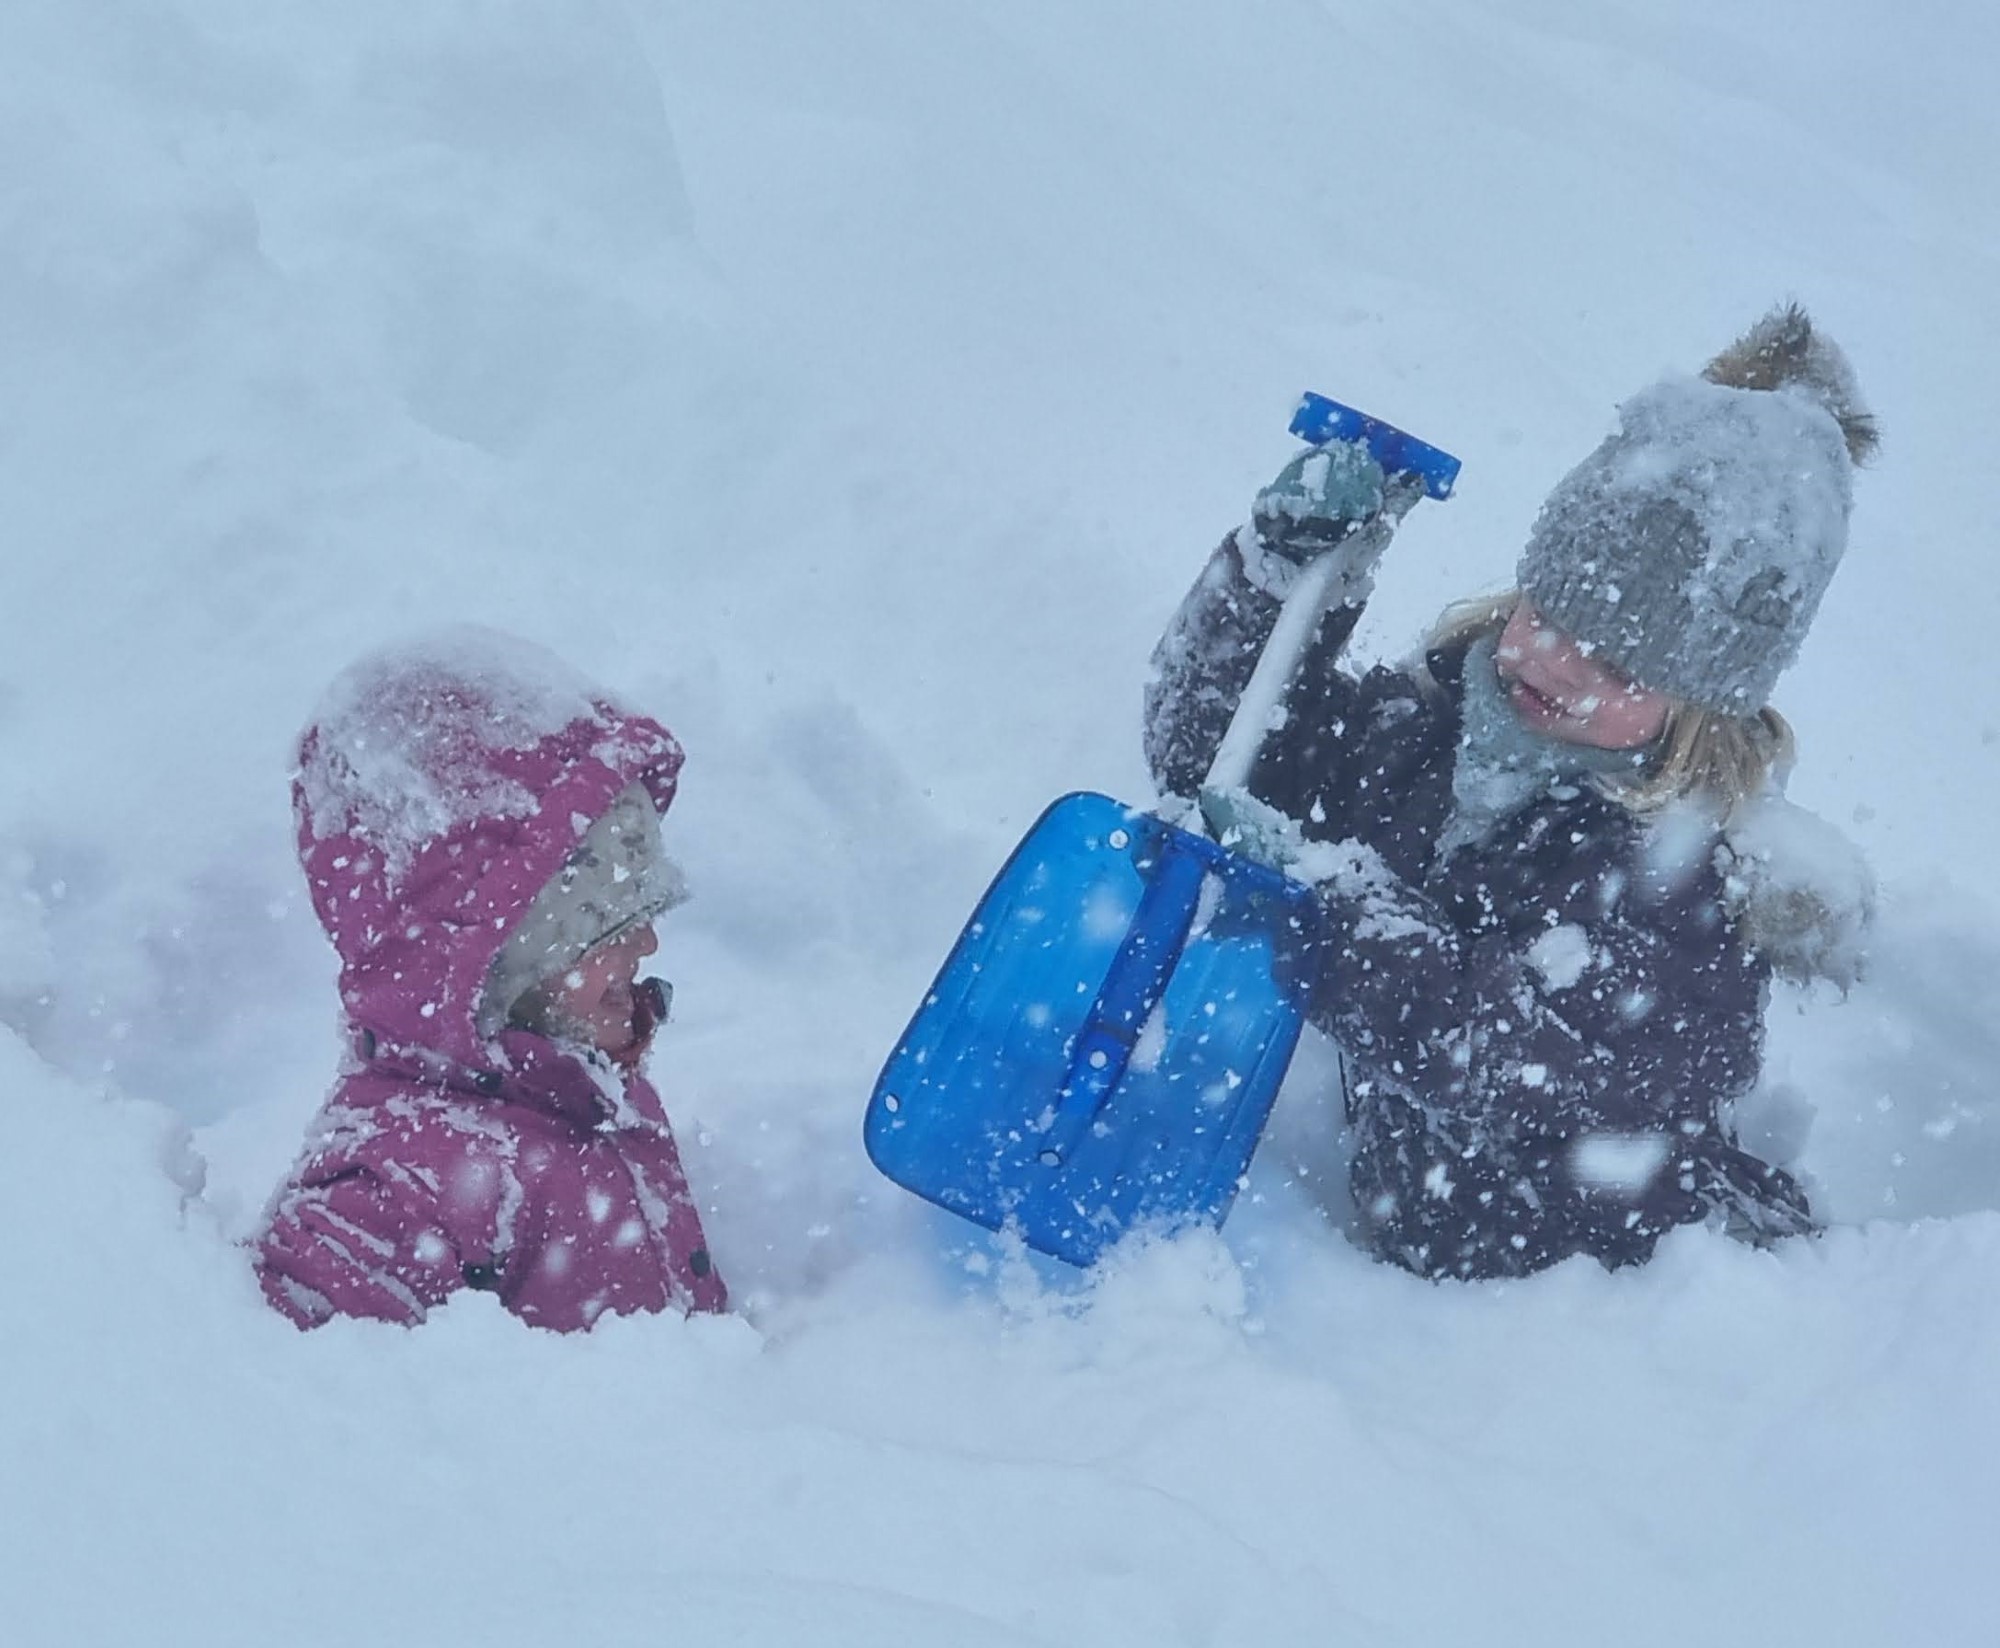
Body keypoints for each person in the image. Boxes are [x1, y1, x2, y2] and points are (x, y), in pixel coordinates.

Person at [1145, 304, 1878, 1281]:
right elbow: (1214, 758)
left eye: (1619, 665)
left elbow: (1499, 1046)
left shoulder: (1690, 886)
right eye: (1550, 613)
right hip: (1435, 1275)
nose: (1555, 665)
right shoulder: (1429, 730)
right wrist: (1280, 582)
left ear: (1701, 704)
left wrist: (1329, 908)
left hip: (1629, 1326)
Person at [253, 629, 728, 1329]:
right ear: (478, 954)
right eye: (599, 920)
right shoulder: (397, 1189)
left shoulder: (570, 1084)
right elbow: (285, 1389)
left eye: (642, 902)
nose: (648, 940)